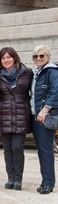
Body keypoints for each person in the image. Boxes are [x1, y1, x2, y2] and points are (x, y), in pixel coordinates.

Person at [0, 47, 33, 191]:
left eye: (9, 57)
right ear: (0, 61)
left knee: (17, 148)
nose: (6, 60)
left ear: (15, 58)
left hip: (21, 115)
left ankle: (18, 179)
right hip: (4, 117)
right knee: (7, 149)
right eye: (3, 58)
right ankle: (10, 178)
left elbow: (32, 93)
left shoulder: (27, 73)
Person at [30, 45, 58, 194]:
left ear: (48, 56)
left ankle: (48, 183)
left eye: (42, 56)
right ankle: (45, 181)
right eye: (36, 56)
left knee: (46, 150)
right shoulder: (38, 72)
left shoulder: (52, 71)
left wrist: (44, 110)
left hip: (45, 117)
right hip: (36, 117)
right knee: (41, 150)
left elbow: (56, 92)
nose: (38, 58)